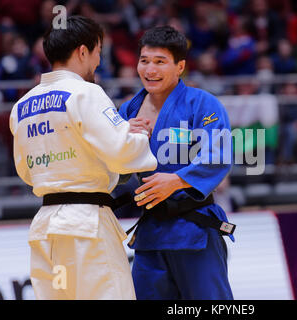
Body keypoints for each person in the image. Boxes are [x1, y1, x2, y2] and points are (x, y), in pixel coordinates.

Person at [9, 16, 157, 300]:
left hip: (45, 228)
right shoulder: (86, 93)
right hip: (86, 226)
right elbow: (123, 154)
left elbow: (27, 172)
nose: (98, 62)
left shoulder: (22, 105)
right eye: (98, 52)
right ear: (82, 51)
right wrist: (138, 136)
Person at [119, 26, 235, 300]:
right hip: (150, 234)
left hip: (194, 230)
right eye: (144, 61)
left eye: (160, 62)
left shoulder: (202, 104)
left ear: (179, 66)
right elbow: (114, 168)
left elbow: (218, 155)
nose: (150, 70)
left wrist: (177, 180)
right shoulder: (128, 111)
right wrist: (123, 139)